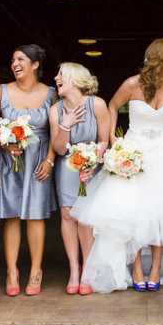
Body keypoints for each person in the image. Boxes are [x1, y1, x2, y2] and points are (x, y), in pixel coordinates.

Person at [71, 38, 163, 294]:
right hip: (134, 152)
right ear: (161, 60)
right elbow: (112, 106)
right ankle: (137, 268)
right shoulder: (132, 83)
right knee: (134, 213)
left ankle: (155, 269)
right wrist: (112, 141)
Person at [0, 44, 57, 296]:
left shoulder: (51, 93)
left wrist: (50, 160)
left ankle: (36, 270)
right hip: (9, 160)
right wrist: (5, 142)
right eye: (12, 60)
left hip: (39, 160)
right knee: (11, 215)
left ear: (35, 64)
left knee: (35, 215)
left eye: (20, 59)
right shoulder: (0, 91)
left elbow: (57, 130)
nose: (14, 64)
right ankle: (11, 271)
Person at [48, 62, 110, 295]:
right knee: (67, 213)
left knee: (85, 216)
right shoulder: (56, 110)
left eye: (60, 74)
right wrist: (66, 124)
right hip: (67, 166)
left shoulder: (98, 104)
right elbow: (59, 149)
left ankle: (88, 270)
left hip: (92, 165)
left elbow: (104, 140)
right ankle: (74, 269)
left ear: (74, 79)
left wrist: (92, 161)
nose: (56, 78)